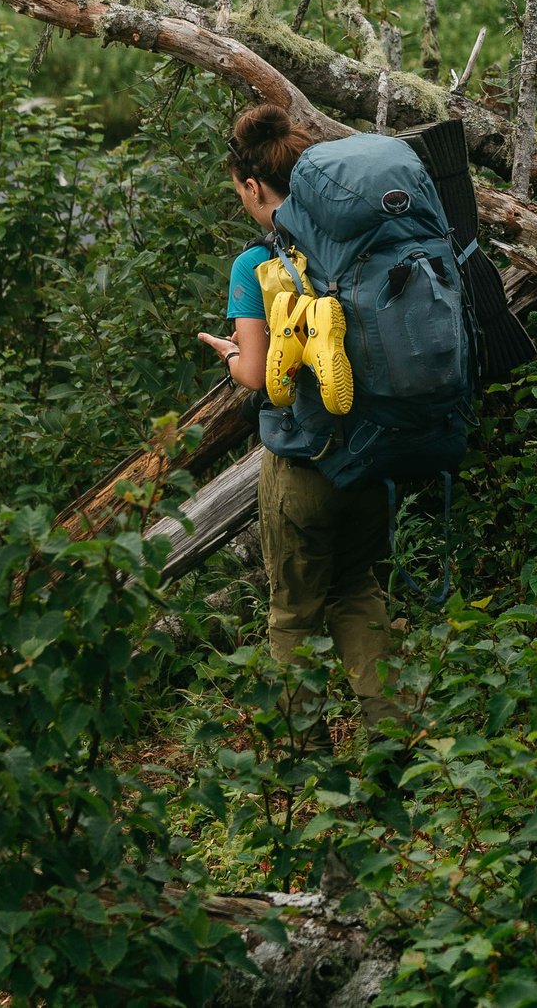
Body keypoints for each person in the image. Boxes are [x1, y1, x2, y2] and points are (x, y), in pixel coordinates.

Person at [195, 104, 401, 735]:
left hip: (303, 463)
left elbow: (259, 376)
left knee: (293, 614)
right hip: (374, 453)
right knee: (359, 590)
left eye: (240, 193)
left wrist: (231, 355)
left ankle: (298, 768)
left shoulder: (254, 264)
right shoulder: (363, 239)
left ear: (255, 186)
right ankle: (399, 746)